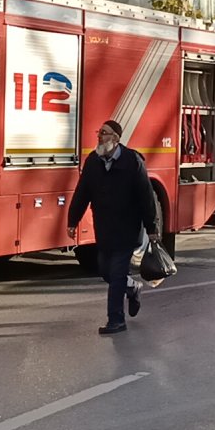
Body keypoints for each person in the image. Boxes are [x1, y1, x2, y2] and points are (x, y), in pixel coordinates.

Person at [67, 120, 159, 335]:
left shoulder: (132, 160)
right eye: (99, 133)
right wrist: (73, 220)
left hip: (127, 229)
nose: (100, 137)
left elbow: (146, 196)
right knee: (106, 272)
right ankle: (132, 287)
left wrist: (152, 227)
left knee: (116, 273)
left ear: (116, 138)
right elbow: (82, 193)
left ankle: (116, 320)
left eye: (105, 133)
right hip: (105, 228)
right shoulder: (93, 161)